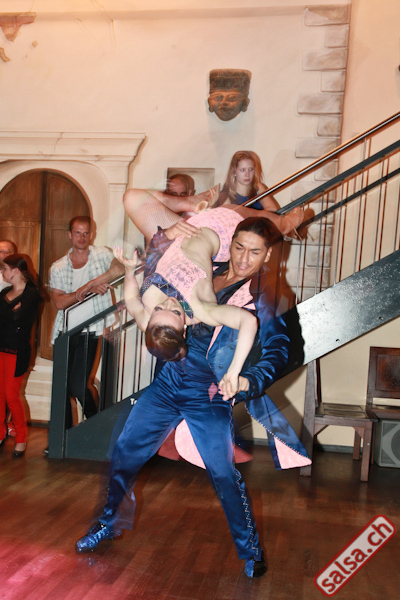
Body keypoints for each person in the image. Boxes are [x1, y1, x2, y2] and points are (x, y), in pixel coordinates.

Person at [75, 217, 311, 579]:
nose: (244, 258)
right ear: (230, 243)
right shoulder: (205, 267)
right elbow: (156, 264)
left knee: (223, 472)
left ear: (268, 255)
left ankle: (250, 550)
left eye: (255, 252)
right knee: (124, 451)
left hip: (208, 394)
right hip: (168, 385)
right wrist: (164, 236)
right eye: (239, 247)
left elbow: (279, 351)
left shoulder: (267, 295)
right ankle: (108, 524)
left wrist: (247, 379)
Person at [115, 206, 260, 398]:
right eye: (176, 312)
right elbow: (248, 321)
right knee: (263, 223)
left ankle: (202, 205)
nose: (169, 302)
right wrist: (233, 372)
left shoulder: (146, 321)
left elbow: (131, 298)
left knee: (137, 203)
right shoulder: (202, 310)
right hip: (221, 231)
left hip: (187, 227)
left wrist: (129, 271)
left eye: (159, 308)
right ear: (184, 330)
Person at [49, 216, 124, 429]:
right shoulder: (58, 267)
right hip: (64, 332)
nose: (82, 237)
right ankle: (62, 437)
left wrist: (91, 284)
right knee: (62, 389)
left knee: (79, 386)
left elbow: (120, 269)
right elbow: (59, 302)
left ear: (91, 235)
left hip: (90, 331)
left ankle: (96, 426)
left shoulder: (101, 255)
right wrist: (85, 292)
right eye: (77, 233)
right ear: (69, 235)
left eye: (86, 233)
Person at [0, 254, 42, 457]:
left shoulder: (32, 295)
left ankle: (21, 439)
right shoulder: (4, 293)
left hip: (16, 352)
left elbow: (18, 318)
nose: (2, 272)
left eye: (4, 268)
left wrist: (8, 313)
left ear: (15, 270)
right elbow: (12, 316)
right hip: (0, 349)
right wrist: (11, 312)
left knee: (11, 396)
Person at [215, 151, 303, 235]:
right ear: (234, 171)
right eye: (242, 170)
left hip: (260, 234)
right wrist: (258, 214)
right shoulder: (225, 195)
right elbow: (229, 223)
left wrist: (250, 214)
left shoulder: (258, 187)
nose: (247, 174)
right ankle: (287, 225)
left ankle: (287, 226)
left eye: (250, 169)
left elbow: (272, 210)